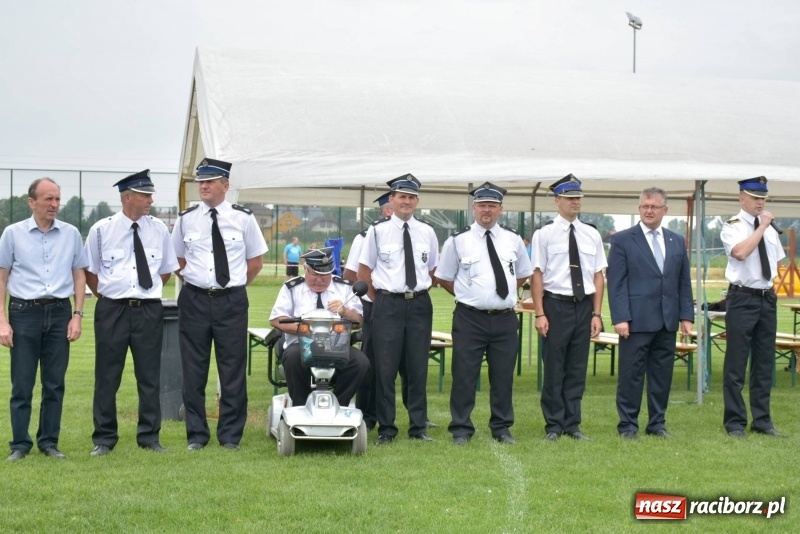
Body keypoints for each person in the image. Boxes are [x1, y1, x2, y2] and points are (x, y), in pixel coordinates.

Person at [172, 158, 268, 451]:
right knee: (193, 370)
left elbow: (255, 263)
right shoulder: (186, 218)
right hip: (195, 299)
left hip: (231, 301)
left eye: (210, 181)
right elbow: (177, 260)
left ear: (225, 186)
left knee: (232, 370)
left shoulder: (243, 218)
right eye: (201, 181)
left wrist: (232, 287)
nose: (203, 185)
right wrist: (200, 282)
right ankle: (197, 436)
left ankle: (229, 436)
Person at [84, 171, 179, 456]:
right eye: (145, 195)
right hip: (112, 309)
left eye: (150, 195)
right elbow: (90, 272)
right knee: (107, 376)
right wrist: (111, 296)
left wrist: (143, 294)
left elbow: (165, 271)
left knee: (149, 376)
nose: (150, 200)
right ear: (127, 197)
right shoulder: (101, 230)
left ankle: (149, 437)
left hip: (148, 310)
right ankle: (104, 438)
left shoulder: (159, 229)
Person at [435, 182, 532, 445]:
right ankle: (461, 429)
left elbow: (523, 273)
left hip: (504, 318)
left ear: (501, 209)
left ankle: (501, 428)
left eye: (491, 205)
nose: (486, 210)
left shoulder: (513, 240)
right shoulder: (457, 241)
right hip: (470, 318)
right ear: (474, 208)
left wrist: (502, 293)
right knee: (464, 374)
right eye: (481, 205)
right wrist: (468, 295)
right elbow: (443, 277)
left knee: (503, 375)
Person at [0, 178, 87, 461]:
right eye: (48, 199)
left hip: (61, 312)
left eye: (57, 199)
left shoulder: (72, 234)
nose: (54, 205)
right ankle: (20, 444)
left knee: (54, 383)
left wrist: (77, 315)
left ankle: (49, 442)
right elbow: (2, 278)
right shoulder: (12, 234)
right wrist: (2, 320)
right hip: (24, 314)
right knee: (22, 384)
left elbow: (79, 274)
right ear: (31, 202)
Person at [606, 187, 693, 440]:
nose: (649, 210)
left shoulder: (676, 240)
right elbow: (616, 282)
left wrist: (686, 316)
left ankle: (657, 423)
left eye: (654, 206)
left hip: (667, 321)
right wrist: (621, 317)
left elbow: (683, 282)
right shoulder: (623, 239)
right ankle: (628, 426)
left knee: (661, 376)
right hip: (635, 321)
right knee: (631, 377)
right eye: (645, 206)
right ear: (639, 209)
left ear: (665, 210)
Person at [358, 174, 439, 445]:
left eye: (411, 197)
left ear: (417, 201)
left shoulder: (427, 231)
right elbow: (364, 270)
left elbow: (432, 269)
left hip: (419, 304)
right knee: (385, 368)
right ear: (392, 200)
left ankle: (418, 427)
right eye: (401, 196)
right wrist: (380, 298)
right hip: (388, 304)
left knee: (417, 367)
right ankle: (387, 428)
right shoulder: (378, 230)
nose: (406, 201)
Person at [531, 174, 606, 442]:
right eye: (570, 198)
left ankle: (572, 423)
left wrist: (597, 314)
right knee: (554, 368)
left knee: (576, 368)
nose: (575, 202)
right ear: (557, 201)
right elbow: (537, 275)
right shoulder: (545, 234)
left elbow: (598, 276)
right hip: (556, 305)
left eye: (578, 198)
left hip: (583, 306)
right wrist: (540, 313)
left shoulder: (592, 234)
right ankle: (553, 424)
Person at [720, 177, 786, 438]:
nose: (760, 202)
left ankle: (762, 420)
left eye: (763, 198)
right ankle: (735, 423)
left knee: (763, 362)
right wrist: (761, 227)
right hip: (742, 299)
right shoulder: (733, 226)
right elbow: (740, 253)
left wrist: (770, 289)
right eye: (755, 198)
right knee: (736, 363)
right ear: (741, 198)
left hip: (765, 298)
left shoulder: (769, 229)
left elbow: (777, 263)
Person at [270, 247, 368, 407]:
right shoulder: (292, 287)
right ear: (305, 268)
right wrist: (307, 331)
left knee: (360, 362)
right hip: (301, 345)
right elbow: (276, 319)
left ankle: (339, 405)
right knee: (293, 357)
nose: (320, 280)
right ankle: (300, 407)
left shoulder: (344, 288)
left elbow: (359, 321)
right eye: (315, 274)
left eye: (325, 275)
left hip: (337, 347)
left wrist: (345, 311)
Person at [344, 192, 392, 430]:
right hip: (375, 306)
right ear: (385, 210)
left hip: (403, 306)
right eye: (389, 207)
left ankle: (417, 418)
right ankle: (368, 414)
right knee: (371, 361)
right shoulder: (365, 237)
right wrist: (375, 297)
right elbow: (351, 274)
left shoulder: (416, 233)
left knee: (408, 363)